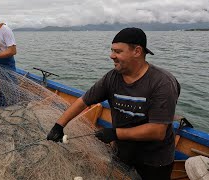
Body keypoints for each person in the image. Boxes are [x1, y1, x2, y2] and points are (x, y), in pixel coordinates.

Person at [47, 27, 180, 180]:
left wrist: (115, 133)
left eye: (117, 51)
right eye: (112, 50)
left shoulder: (162, 82)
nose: (111, 56)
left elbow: (157, 131)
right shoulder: (112, 77)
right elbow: (84, 101)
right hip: (122, 152)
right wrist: (59, 125)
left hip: (155, 159)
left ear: (137, 51)